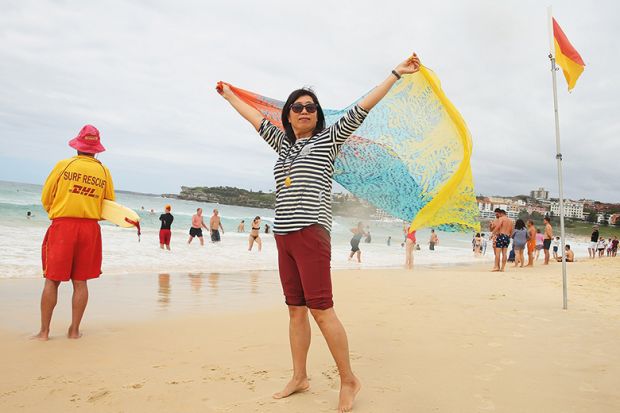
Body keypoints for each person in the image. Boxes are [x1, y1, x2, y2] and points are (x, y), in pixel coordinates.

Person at [218, 52, 421, 411]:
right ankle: (300, 376)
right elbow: (254, 120)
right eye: (297, 107)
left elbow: (362, 108)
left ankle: (348, 379)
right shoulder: (283, 145)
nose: (304, 111)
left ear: (317, 113)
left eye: (310, 106)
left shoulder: (327, 140)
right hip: (283, 235)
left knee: (321, 310)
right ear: (288, 115)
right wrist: (230, 95)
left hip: (312, 233)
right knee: (295, 310)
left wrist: (395, 73)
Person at [35, 124, 115, 340]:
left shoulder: (64, 165)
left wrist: (57, 212)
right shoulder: (103, 171)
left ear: (77, 146)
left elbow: (46, 196)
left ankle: (44, 332)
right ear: (96, 149)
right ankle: (74, 330)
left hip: (63, 226)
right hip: (89, 229)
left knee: (52, 280)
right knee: (80, 281)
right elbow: (109, 205)